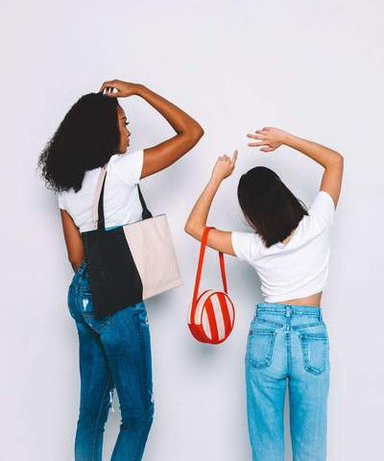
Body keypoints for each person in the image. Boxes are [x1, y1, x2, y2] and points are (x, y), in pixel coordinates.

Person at [38, 79, 204, 461]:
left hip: (81, 295)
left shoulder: (66, 186)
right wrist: (142, 91)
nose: (128, 131)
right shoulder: (123, 169)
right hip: (116, 299)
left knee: (91, 415)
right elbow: (192, 132)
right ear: (104, 132)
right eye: (124, 123)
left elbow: (75, 258)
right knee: (137, 415)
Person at [184, 127, 343, 461]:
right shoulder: (317, 224)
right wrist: (286, 139)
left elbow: (194, 227)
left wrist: (217, 178)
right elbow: (335, 162)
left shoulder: (253, 245)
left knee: (266, 452)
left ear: (251, 214)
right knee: (312, 451)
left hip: (266, 334)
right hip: (309, 335)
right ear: (283, 193)